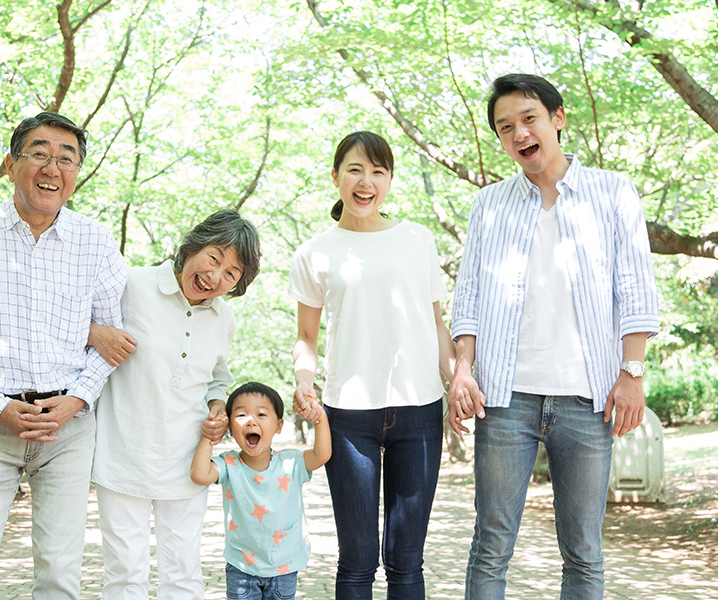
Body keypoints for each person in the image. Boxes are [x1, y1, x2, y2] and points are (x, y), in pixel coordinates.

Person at [448, 73, 660, 599]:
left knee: (584, 551)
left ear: (556, 120)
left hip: (587, 399)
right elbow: (469, 297)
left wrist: (631, 373)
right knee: (491, 545)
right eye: (505, 127)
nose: (518, 133)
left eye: (528, 119)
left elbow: (635, 288)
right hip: (506, 400)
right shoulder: (489, 206)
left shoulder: (612, 192)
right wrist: (461, 372)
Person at [0, 112, 129, 599]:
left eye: (67, 159)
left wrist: (76, 401)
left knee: (60, 574)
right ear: (10, 164)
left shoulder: (96, 241)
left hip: (68, 428)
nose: (52, 168)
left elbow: (113, 339)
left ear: (77, 173)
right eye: (39, 153)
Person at [288, 131, 456, 599]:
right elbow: (306, 336)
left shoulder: (416, 240)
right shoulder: (315, 251)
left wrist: (457, 380)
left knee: (407, 562)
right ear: (336, 176)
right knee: (357, 560)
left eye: (378, 172)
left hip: (420, 408)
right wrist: (304, 381)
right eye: (356, 170)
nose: (366, 182)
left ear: (389, 181)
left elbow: (437, 324)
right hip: (347, 415)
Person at [87, 208, 261, 600]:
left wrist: (218, 406)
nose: (215, 276)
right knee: (125, 576)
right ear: (193, 245)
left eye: (231, 274)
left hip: (186, 462)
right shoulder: (132, 284)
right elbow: (80, 328)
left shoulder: (223, 318)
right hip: (122, 456)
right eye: (214, 258)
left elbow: (218, 375)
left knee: (183, 574)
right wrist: (96, 333)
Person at [190, 381, 332, 600]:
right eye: (240, 415)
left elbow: (322, 455)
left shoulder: (291, 463)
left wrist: (320, 419)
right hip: (241, 568)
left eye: (262, 414)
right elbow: (199, 474)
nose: (251, 421)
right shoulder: (229, 465)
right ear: (229, 427)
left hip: (284, 568)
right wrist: (210, 435)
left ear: (278, 425)